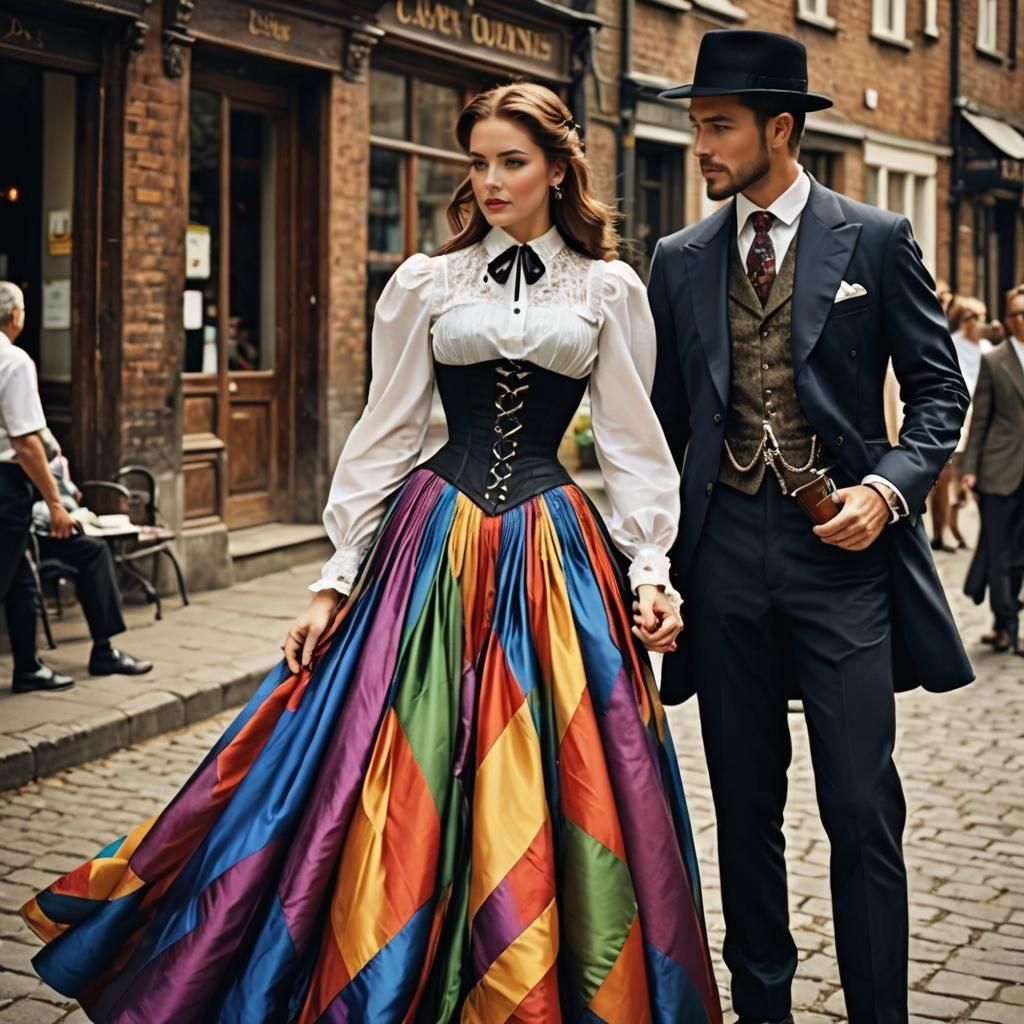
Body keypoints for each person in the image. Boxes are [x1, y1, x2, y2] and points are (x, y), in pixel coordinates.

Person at [21, 84, 722, 1023]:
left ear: (560, 169)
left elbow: (636, 446)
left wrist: (650, 571)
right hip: (428, 545)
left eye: (512, 161)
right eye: (478, 161)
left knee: (575, 775)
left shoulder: (608, 289)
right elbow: (384, 435)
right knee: (371, 760)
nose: (491, 179)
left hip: (553, 548)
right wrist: (333, 577)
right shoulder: (428, 283)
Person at [649, 29, 972, 1024]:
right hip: (721, 568)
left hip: (842, 562)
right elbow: (657, 429)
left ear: (778, 129)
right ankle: (765, 1012)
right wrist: (649, 563)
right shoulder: (678, 257)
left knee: (860, 808)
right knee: (744, 813)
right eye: (696, 125)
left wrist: (886, 491)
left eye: (717, 127)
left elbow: (934, 392)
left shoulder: (872, 239)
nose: (699, 145)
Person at [0, 283, 78, 693]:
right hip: (5, 486)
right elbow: (26, 441)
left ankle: (27, 665)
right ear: (15, 315)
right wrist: (54, 500)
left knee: (21, 577)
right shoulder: (12, 360)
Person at [31, 437, 153, 678]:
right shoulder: (18, 420)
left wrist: (64, 497)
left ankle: (103, 651)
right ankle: (103, 653)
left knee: (94, 551)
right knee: (94, 552)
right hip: (28, 523)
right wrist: (57, 506)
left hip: (40, 515)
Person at [963, 284, 1024, 655]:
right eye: (1016, 313)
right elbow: (980, 419)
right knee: (999, 551)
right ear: (1008, 319)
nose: (1022, 320)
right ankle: (1010, 627)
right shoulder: (995, 359)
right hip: (999, 470)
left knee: (1019, 556)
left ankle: (1004, 620)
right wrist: (970, 468)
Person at [946, 296, 994, 550]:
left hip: (985, 424)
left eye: (981, 317)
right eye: (971, 318)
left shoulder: (988, 349)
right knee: (959, 482)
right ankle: (953, 529)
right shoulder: (951, 344)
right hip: (962, 423)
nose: (977, 323)